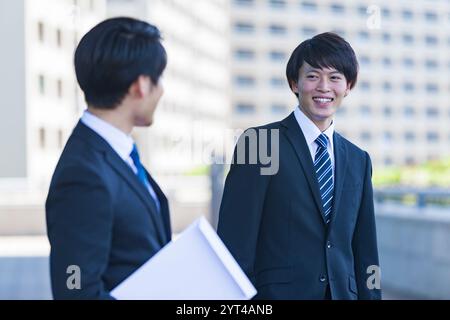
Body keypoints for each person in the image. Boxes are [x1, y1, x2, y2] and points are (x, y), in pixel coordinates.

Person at [218, 32, 381, 300]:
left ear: (348, 86)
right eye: (313, 76)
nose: (324, 87)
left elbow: (367, 252)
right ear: (295, 83)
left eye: (335, 77)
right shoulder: (259, 144)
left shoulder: (358, 159)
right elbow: (235, 244)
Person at [46, 17, 171, 300]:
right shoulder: (84, 173)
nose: (162, 89)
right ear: (140, 85)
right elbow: (75, 291)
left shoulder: (116, 153)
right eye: (159, 78)